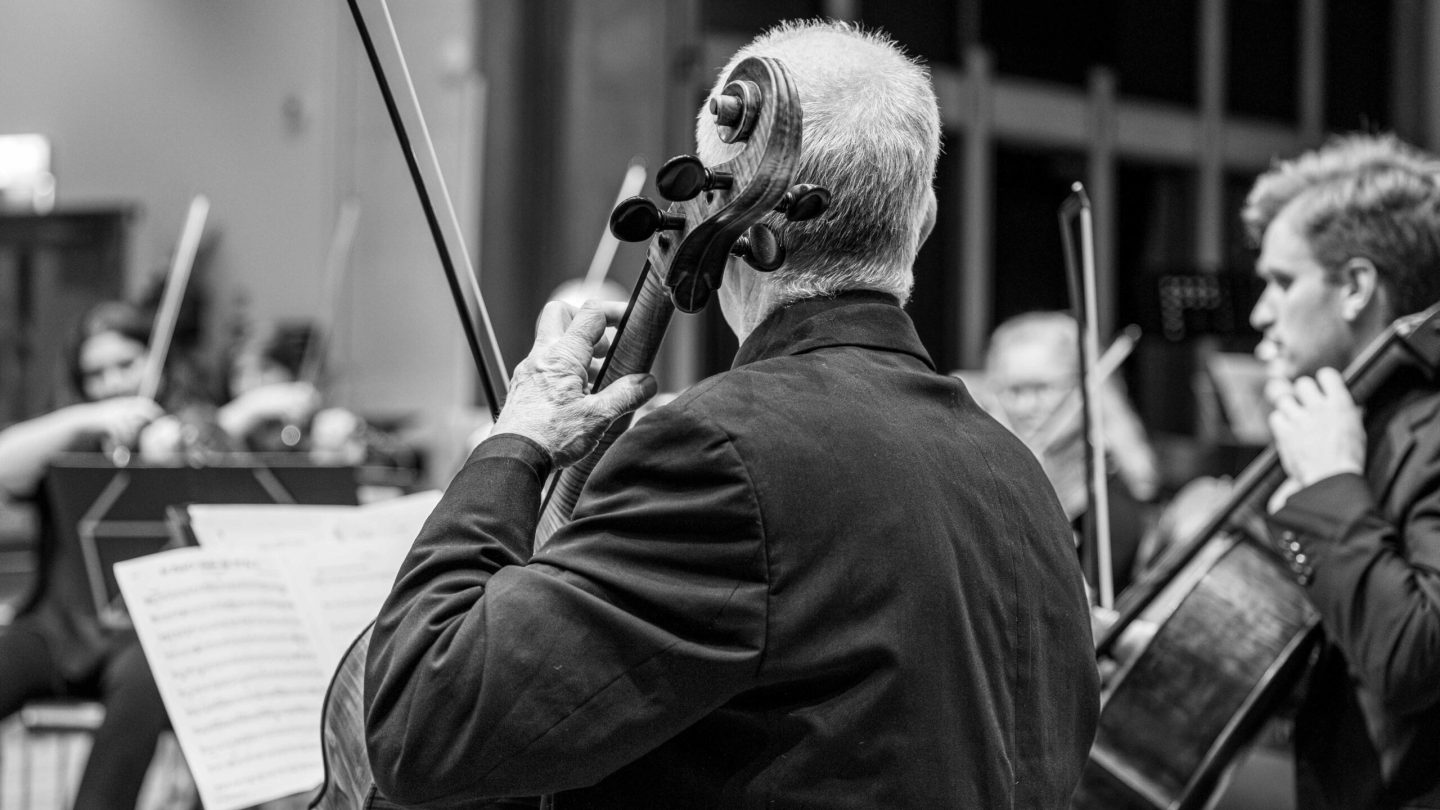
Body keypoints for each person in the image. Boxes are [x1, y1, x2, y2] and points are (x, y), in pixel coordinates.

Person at [364, 20, 1098, 809]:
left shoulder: (727, 451)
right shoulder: (1020, 477)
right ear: (921, 224)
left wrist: (514, 441)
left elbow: (420, 726)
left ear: (731, 213)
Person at [1242, 132, 1440, 808]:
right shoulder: (1347, 420)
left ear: (1356, 285)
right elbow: (1338, 645)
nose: (1260, 312)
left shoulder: (1429, 429)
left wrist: (1328, 484)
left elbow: (1413, 655)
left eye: (1282, 282)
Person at [0, 301, 178, 810]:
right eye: (94, 374)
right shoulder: (68, 443)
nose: (112, 383)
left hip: (141, 638)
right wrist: (88, 419)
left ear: (155, 361)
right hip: (54, 629)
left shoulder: (181, 433)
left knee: (147, 681)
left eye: (126, 364)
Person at [984, 311, 1161, 597]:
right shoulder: (992, 477)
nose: (1026, 407)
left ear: (1086, 388)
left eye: (1042, 388)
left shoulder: (1111, 501)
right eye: (1013, 391)